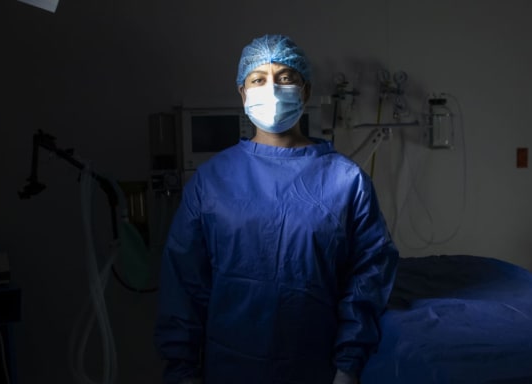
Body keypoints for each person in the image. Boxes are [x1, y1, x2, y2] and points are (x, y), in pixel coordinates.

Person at [155, 34, 399, 384]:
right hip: (228, 366)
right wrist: (182, 370)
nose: (271, 89)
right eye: (258, 80)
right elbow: (184, 283)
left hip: (317, 365)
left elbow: (368, 276)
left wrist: (348, 365)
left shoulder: (347, 181)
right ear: (242, 93)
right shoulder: (211, 181)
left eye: (285, 78)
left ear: (306, 91)